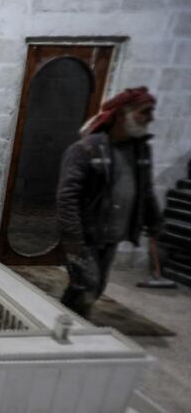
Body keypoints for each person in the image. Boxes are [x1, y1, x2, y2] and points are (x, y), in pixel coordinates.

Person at [57, 87, 161, 316]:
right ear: (122, 114)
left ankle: (69, 324)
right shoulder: (86, 150)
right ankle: (66, 325)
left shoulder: (139, 151)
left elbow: (145, 189)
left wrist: (154, 220)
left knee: (94, 287)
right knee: (87, 284)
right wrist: (72, 237)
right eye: (144, 112)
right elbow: (68, 197)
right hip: (85, 235)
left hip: (111, 234)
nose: (150, 118)